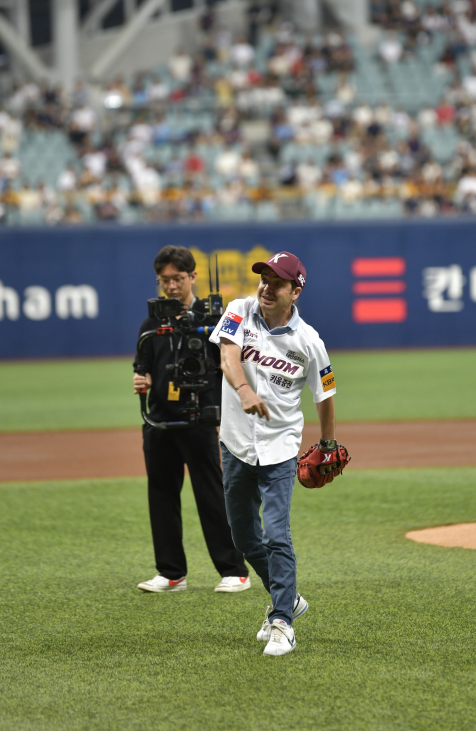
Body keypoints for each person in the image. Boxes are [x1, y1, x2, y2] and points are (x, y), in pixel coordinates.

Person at [209, 251, 337, 656]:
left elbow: (325, 394)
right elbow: (227, 354)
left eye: (276, 282)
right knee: (243, 536)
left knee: (276, 532)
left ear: (295, 291)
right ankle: (290, 597)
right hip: (235, 444)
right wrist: (244, 390)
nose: (265, 287)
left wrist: (328, 444)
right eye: (263, 279)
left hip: (280, 445)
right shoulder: (238, 310)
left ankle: (282, 620)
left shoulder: (310, 342)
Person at [132, 245, 249, 594]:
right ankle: (171, 573)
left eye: (177, 279)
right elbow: (142, 369)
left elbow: (231, 361)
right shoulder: (151, 322)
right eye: (163, 280)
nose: (170, 286)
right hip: (160, 420)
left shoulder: (213, 317)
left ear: (193, 277)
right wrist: (143, 379)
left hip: (201, 417)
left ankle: (233, 570)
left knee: (211, 493)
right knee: (162, 494)